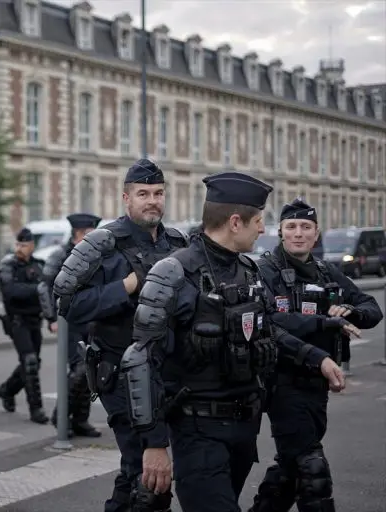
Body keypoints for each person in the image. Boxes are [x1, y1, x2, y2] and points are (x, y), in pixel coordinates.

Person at [121, 172, 346, 512]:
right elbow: (140, 358)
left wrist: (317, 358)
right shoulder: (173, 274)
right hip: (198, 432)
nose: (263, 230)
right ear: (236, 222)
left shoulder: (249, 270)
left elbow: (269, 327)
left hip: (243, 431)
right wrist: (153, 445)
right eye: (259, 221)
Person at [53, 159, 188, 512]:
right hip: (120, 372)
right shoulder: (102, 245)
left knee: (139, 473)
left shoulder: (176, 242)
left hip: (168, 371)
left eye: (158, 193)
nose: (152, 201)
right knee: (147, 475)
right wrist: (126, 287)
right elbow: (68, 305)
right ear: (126, 198)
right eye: (143, 193)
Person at [249, 198, 383, 512]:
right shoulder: (265, 271)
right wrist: (324, 321)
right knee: (312, 470)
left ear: (316, 233)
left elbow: (371, 309)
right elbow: (268, 321)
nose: (299, 233)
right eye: (291, 227)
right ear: (279, 231)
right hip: (281, 381)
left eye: (305, 227)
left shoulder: (325, 272)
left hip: (317, 383)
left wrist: (349, 311)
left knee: (290, 470)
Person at [42, 212, 102, 438]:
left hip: (92, 320)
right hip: (69, 321)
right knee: (78, 369)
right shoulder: (60, 255)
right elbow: (44, 286)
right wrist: (51, 318)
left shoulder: (97, 254)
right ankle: (61, 416)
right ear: (79, 233)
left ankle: (80, 420)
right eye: (90, 232)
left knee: (90, 371)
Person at [0, 228, 52, 424]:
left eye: (24, 245)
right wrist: (36, 288)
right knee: (30, 362)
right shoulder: (8, 266)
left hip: (35, 320)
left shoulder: (39, 266)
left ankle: (6, 390)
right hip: (17, 321)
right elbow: (10, 291)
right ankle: (36, 410)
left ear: (32, 246)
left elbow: (48, 293)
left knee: (33, 363)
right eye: (18, 244)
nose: (20, 248)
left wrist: (52, 319)